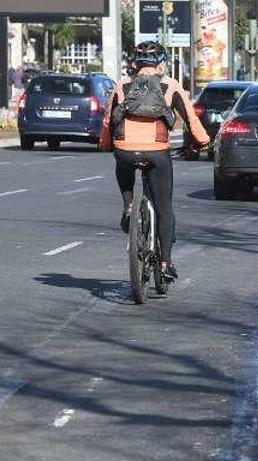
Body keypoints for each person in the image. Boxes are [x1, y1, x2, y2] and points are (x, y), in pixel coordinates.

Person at [99, 41, 209, 281]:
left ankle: (129, 205)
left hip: (125, 150)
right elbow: (191, 119)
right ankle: (165, 262)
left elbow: (109, 121)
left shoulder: (122, 85)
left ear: (135, 64)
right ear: (161, 64)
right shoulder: (170, 85)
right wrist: (203, 142)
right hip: (158, 152)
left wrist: (106, 145)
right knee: (164, 209)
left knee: (122, 161)